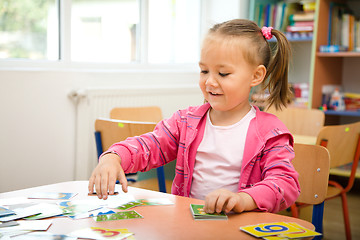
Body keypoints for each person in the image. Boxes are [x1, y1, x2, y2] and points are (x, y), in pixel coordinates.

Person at [88, 19, 300, 214]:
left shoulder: (271, 132)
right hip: (189, 224)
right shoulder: (185, 121)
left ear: (256, 75)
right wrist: (113, 157)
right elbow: (149, 145)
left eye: (223, 74)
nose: (210, 82)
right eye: (204, 71)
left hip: (239, 229)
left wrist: (243, 199)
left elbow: (285, 183)